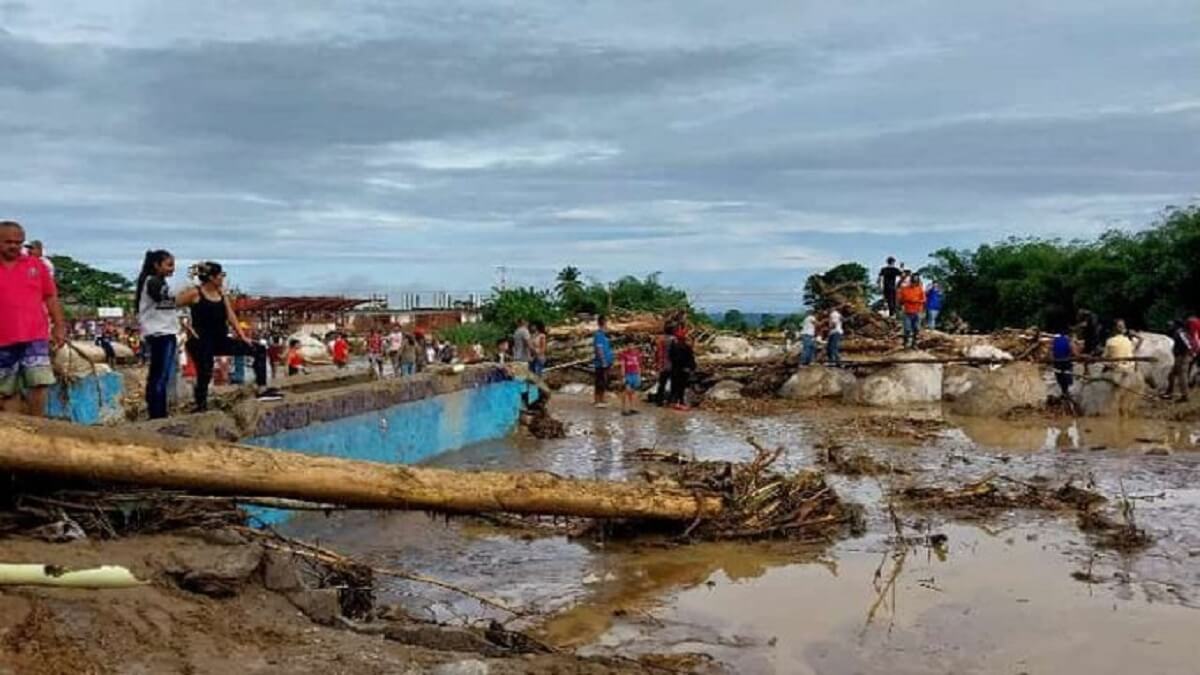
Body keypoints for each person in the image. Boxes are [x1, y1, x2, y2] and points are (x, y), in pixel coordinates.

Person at [176, 261, 278, 411]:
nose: (222, 278)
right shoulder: (195, 293)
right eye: (221, 275)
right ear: (212, 277)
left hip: (220, 339)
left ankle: (262, 389)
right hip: (200, 341)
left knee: (259, 349)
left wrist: (242, 336)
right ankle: (201, 405)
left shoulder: (221, 294)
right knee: (205, 370)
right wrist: (184, 326)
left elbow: (231, 316)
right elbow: (172, 305)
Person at [0, 221, 66, 417]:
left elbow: (50, 296)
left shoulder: (37, 266)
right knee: (6, 390)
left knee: (39, 383)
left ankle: (38, 426)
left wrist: (59, 326)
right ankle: (16, 432)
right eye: (8, 242)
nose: (14, 246)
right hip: (2, 338)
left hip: (34, 334)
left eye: (18, 242)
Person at [135, 249, 180, 419]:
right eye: (169, 265)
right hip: (160, 333)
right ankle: (157, 413)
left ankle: (157, 412)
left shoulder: (155, 281)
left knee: (159, 375)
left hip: (160, 332)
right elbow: (167, 298)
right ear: (156, 265)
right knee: (160, 376)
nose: (172, 269)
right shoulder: (153, 282)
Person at [667, 326, 696, 411]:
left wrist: (690, 367)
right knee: (680, 387)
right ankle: (679, 401)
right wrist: (690, 368)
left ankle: (675, 401)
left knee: (676, 386)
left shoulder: (678, 346)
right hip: (681, 370)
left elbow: (671, 357)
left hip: (677, 369)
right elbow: (691, 359)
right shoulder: (686, 347)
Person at [1163, 320, 1190, 402]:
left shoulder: (1180, 333)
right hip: (1180, 356)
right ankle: (1169, 392)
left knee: (1182, 376)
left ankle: (1185, 396)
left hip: (1182, 357)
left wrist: (1181, 354)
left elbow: (1188, 345)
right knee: (1171, 374)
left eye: (1172, 325)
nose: (1170, 326)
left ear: (1177, 325)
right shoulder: (1179, 333)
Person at [898, 275, 926, 349]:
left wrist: (916, 301)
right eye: (913, 282)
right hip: (907, 311)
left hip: (917, 311)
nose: (914, 284)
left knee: (916, 328)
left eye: (916, 282)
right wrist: (907, 300)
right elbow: (901, 300)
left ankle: (914, 343)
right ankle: (906, 342)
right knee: (907, 328)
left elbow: (923, 300)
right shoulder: (904, 289)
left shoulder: (920, 289)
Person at [593, 315, 614, 408]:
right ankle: (597, 400)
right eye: (607, 322)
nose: (608, 325)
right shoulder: (598, 335)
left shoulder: (604, 335)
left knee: (604, 381)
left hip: (607, 362)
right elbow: (599, 349)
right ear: (603, 323)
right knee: (600, 381)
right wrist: (603, 361)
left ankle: (602, 399)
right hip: (601, 363)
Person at [1051, 328, 1076, 400]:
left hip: (1056, 363)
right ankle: (1067, 392)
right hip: (1066, 362)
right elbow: (1073, 352)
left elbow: (1051, 351)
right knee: (1067, 376)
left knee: (1060, 378)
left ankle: (1063, 392)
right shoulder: (1068, 340)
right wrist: (1079, 356)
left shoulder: (1054, 340)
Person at [617, 343, 642, 416]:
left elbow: (638, 365)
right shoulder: (624, 355)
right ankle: (623, 408)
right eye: (629, 345)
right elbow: (622, 366)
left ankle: (632, 407)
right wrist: (623, 376)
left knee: (633, 392)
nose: (631, 347)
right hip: (628, 374)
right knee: (626, 391)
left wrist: (639, 375)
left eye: (632, 345)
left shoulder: (636, 354)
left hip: (635, 374)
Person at [653, 323, 674, 405]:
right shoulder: (674, 340)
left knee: (662, 383)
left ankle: (659, 400)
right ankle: (670, 400)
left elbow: (657, 353)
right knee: (672, 382)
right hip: (672, 364)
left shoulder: (660, 340)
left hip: (663, 364)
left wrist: (657, 363)